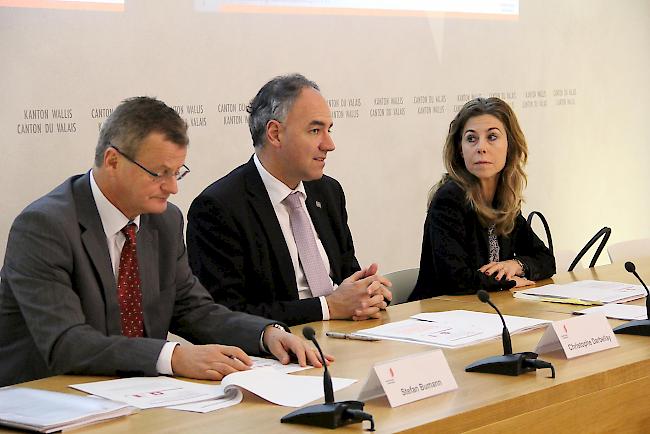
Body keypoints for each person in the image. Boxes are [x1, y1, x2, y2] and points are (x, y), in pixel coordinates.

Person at [0, 96, 329, 387]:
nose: (173, 188)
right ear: (113, 161)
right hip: (47, 399)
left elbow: (193, 309)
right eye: (159, 173)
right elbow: (65, 343)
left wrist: (266, 333)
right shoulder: (45, 227)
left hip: (136, 397)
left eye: (178, 172)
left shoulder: (164, 221)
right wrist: (173, 357)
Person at [186, 74, 391, 326]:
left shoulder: (328, 192)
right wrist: (327, 307)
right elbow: (226, 315)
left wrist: (368, 291)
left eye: (329, 130)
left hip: (343, 338)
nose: (329, 144)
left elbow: (347, 275)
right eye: (315, 130)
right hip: (274, 354)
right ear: (275, 134)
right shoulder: (219, 207)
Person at [409, 97, 555, 300]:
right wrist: (509, 282)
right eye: (471, 139)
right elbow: (456, 280)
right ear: (460, 149)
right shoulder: (448, 200)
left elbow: (546, 260)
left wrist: (515, 265)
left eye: (492, 137)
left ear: (510, 145)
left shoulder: (504, 199)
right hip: (442, 315)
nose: (481, 147)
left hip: (485, 311)